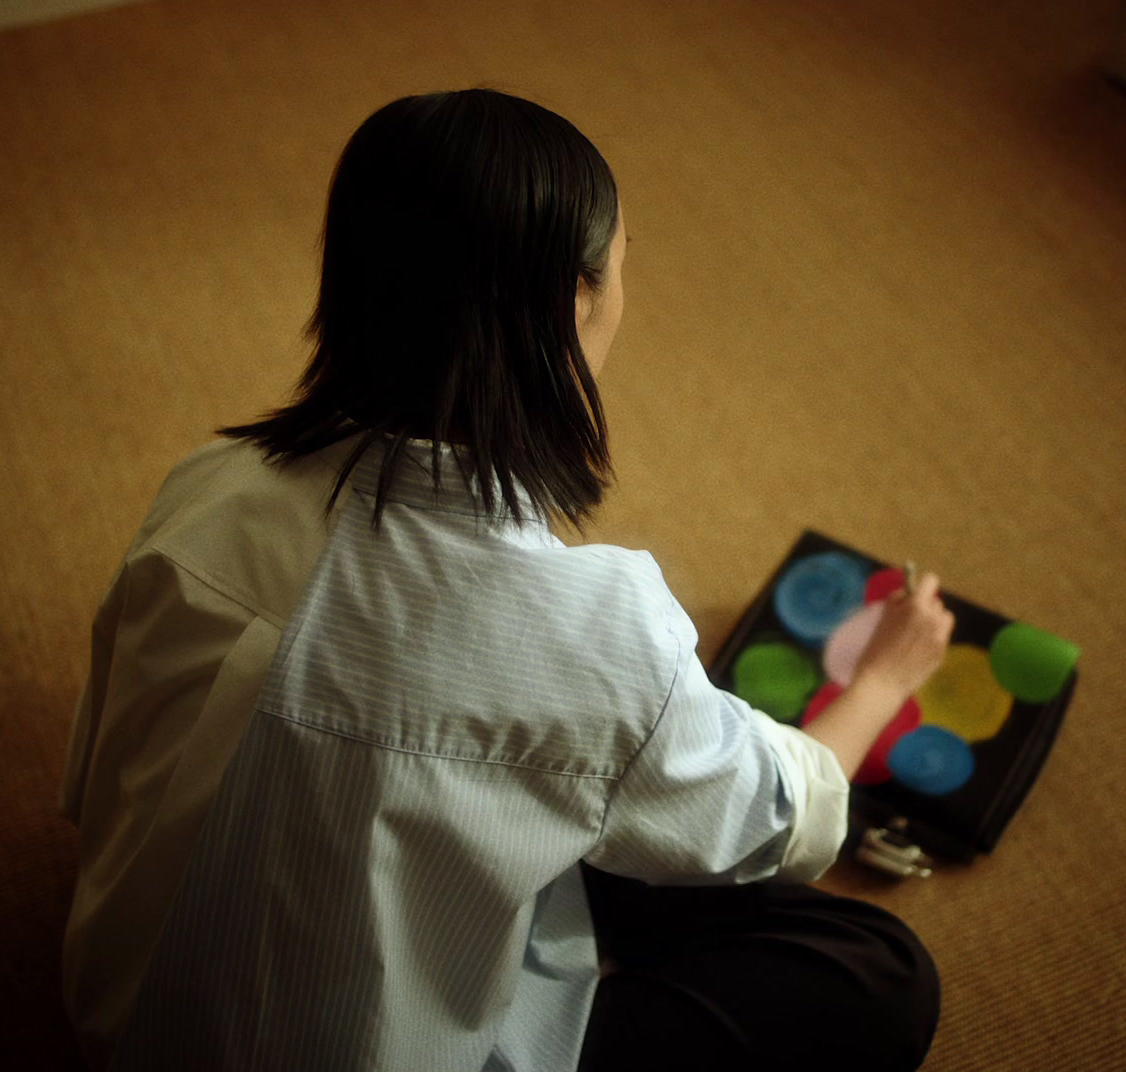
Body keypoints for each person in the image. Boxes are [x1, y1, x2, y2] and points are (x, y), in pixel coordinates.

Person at [59, 88, 952, 1072]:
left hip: (124, 1011)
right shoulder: (596, 632)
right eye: (618, 267)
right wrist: (882, 678)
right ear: (574, 298)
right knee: (879, 969)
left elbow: (97, 759)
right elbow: (787, 820)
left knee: (591, 787)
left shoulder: (209, 484)